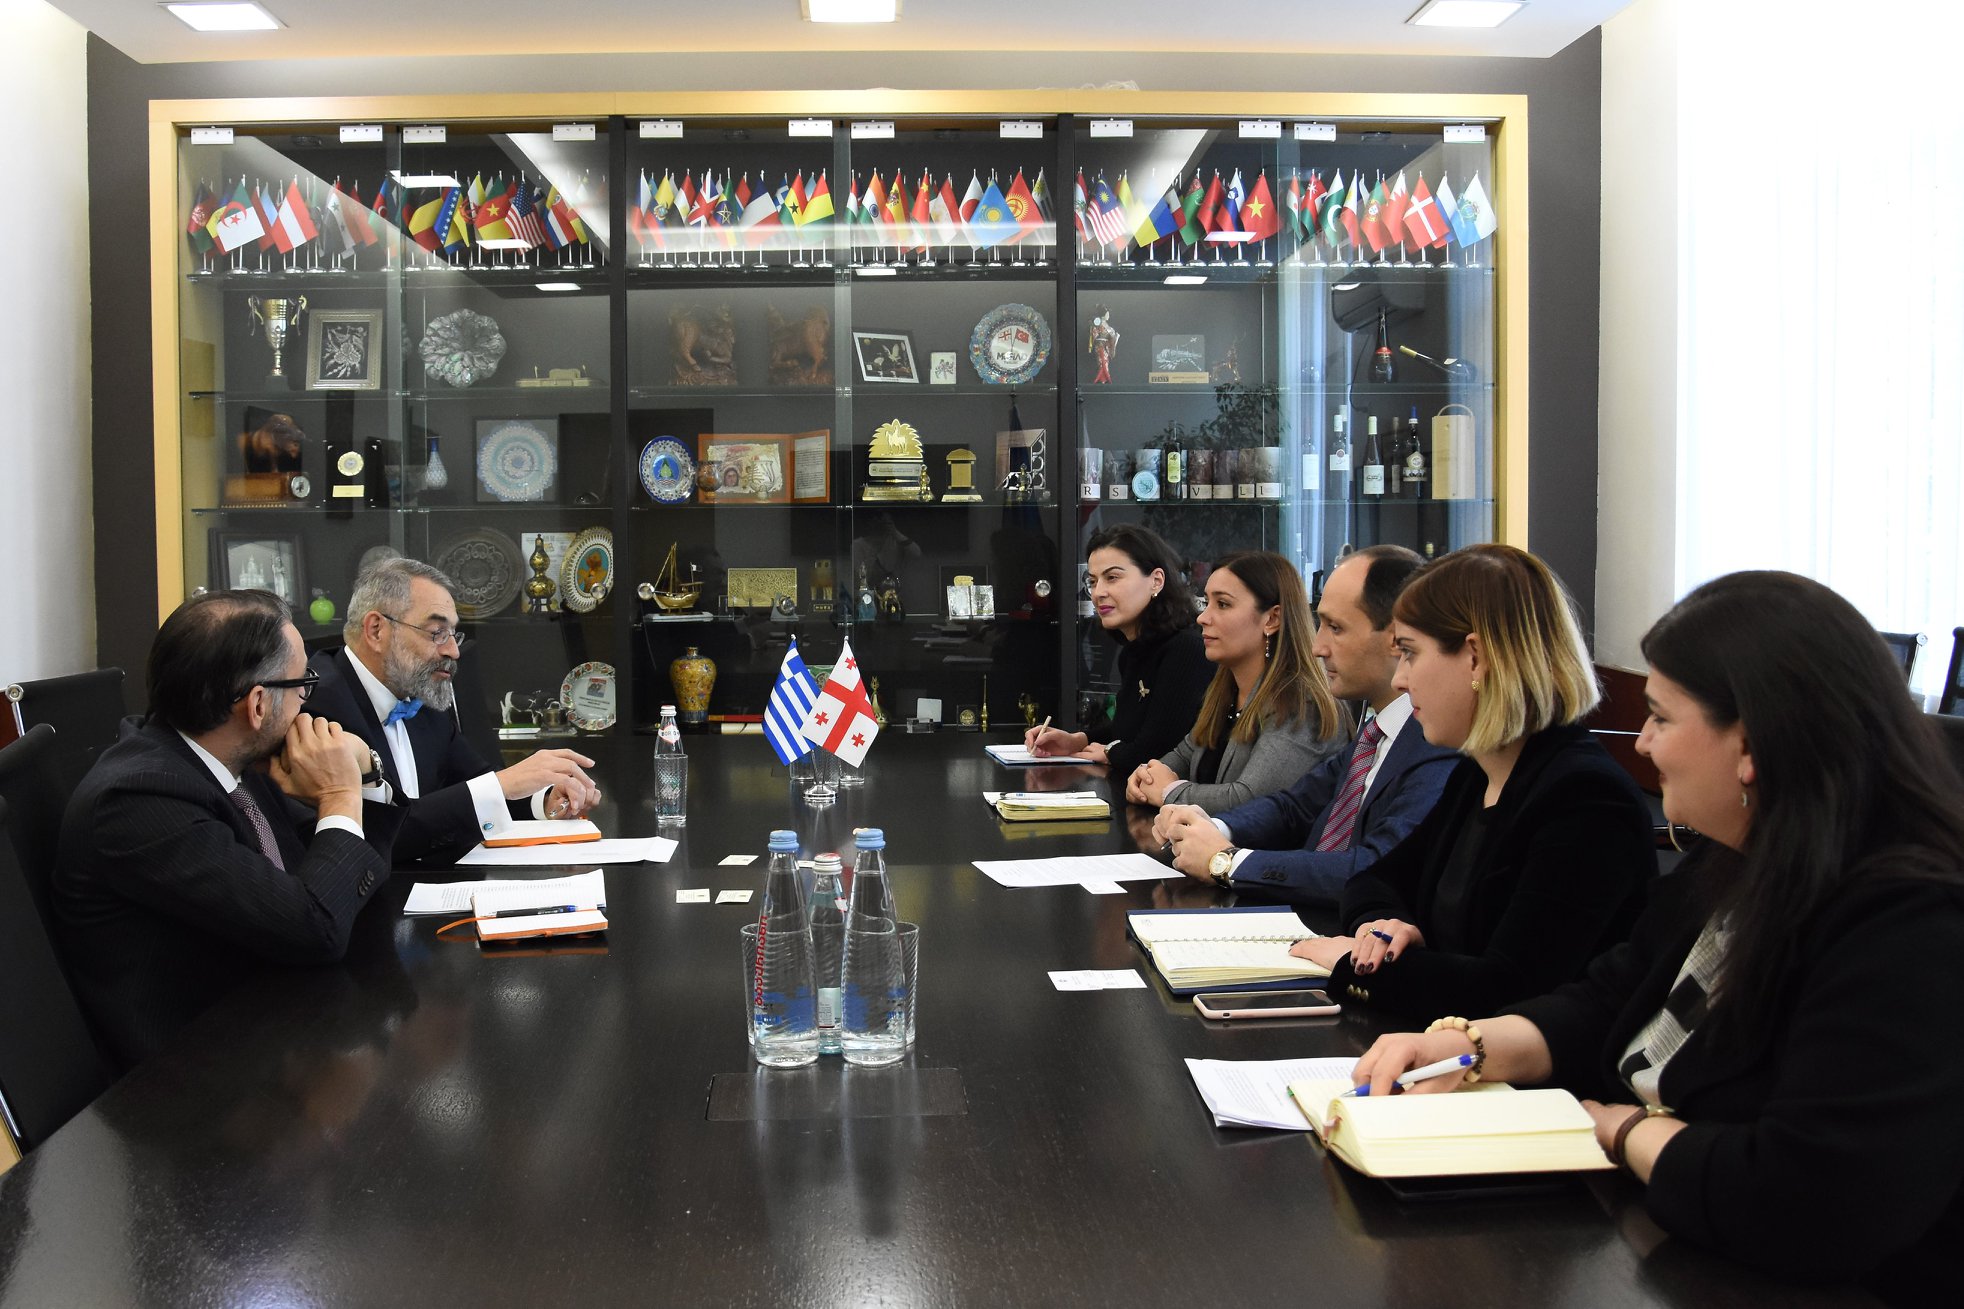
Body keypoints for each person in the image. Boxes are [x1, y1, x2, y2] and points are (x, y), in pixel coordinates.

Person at [1348, 572, 1964, 1300]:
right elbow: (1610, 994)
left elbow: (1811, 1199)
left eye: (1662, 719)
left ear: (1750, 744)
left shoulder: (1910, 925)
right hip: (1666, 1238)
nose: (1642, 743)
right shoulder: (1739, 858)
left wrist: (1622, 1129)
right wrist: (1470, 1044)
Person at [1287, 543, 1654, 1016]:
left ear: (1476, 658)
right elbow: (1373, 880)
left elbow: (1507, 991)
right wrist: (1382, 930)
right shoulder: (1477, 775)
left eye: (1410, 653)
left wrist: (1355, 966)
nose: (1400, 680)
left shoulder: (1585, 801)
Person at [54, 590, 403, 1068]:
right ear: (258, 704)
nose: (307, 704)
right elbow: (314, 927)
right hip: (199, 1076)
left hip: (274, 1016)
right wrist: (339, 795)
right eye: (303, 685)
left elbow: (337, 881)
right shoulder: (141, 799)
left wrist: (364, 776)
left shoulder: (225, 758)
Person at [1154, 545, 1455, 902]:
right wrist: (1214, 826)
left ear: (1396, 637)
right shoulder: (1377, 731)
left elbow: (1376, 866)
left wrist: (1228, 862)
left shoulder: (1437, 740)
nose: (1318, 647)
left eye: (1336, 628)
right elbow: (1293, 807)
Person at [306, 556, 602, 865]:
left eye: (453, 634)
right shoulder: (318, 707)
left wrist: (546, 799)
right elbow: (381, 836)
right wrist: (502, 784)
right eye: (437, 632)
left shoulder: (419, 692)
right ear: (376, 630)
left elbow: (475, 787)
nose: (454, 651)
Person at [1125, 550, 1348, 813]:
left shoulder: (1301, 702)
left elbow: (1249, 800)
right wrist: (1146, 776)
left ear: (1272, 619)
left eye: (1222, 604)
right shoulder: (1225, 690)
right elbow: (1183, 755)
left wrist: (1168, 792)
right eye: (1206, 602)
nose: (1202, 617)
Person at [1024, 524, 1211, 779]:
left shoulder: (1187, 649)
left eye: (1112, 577)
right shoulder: (1134, 651)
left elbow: (1156, 751)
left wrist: (1111, 752)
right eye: (1092, 581)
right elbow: (1128, 730)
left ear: (1156, 581)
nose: (1098, 593)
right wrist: (1077, 740)